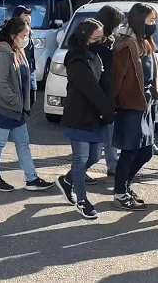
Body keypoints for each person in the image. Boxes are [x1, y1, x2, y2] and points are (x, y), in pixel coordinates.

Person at [0, 16, 53, 192]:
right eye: (24, 34)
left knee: (23, 143)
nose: (26, 38)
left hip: (16, 109)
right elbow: (0, 83)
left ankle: (31, 178)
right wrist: (16, 101)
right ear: (13, 35)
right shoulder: (2, 52)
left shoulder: (16, 50)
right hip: (3, 108)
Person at [54, 19, 115, 219]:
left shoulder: (94, 53)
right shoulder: (75, 58)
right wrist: (108, 110)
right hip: (79, 114)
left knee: (94, 157)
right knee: (80, 159)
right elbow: (90, 87)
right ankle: (82, 201)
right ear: (84, 37)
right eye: (96, 38)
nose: (100, 41)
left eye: (102, 37)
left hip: (95, 115)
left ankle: (67, 181)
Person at [112, 3, 158, 211]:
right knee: (130, 151)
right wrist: (112, 104)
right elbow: (117, 78)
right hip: (131, 105)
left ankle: (125, 185)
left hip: (145, 104)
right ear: (140, 21)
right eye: (151, 20)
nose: (153, 24)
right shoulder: (126, 45)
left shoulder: (144, 42)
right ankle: (120, 193)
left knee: (146, 152)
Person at [94, 5, 125, 176]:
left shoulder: (111, 42)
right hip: (101, 93)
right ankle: (80, 170)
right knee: (101, 133)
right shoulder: (99, 45)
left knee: (109, 131)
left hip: (109, 92)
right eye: (118, 23)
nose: (120, 26)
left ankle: (113, 165)